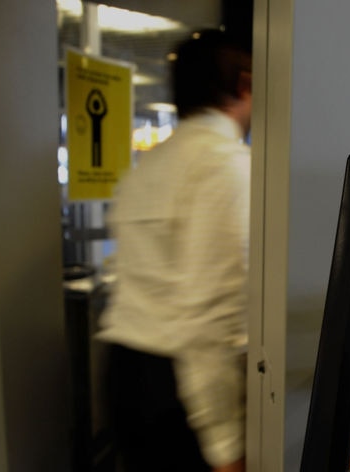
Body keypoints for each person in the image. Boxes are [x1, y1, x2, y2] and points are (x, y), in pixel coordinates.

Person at [97, 28, 252, 472]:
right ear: (244, 84)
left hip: (125, 370)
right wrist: (227, 445)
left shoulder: (148, 167)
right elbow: (208, 319)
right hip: (179, 392)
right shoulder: (227, 167)